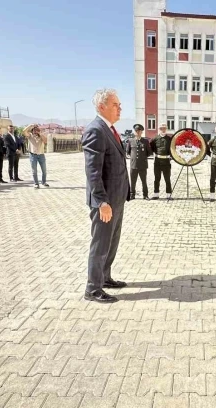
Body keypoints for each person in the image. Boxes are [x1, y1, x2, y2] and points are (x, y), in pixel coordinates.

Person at [82, 88, 130, 303]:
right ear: (101, 107)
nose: (119, 108)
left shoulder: (109, 129)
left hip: (116, 199)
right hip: (105, 201)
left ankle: (105, 277)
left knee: (111, 242)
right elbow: (93, 171)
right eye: (115, 105)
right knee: (101, 244)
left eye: (119, 105)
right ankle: (93, 289)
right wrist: (101, 201)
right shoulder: (96, 130)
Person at [126, 123, 151, 200]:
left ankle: (145, 195)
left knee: (144, 181)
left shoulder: (145, 141)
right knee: (133, 181)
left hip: (143, 165)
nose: (137, 132)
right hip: (133, 165)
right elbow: (128, 151)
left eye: (139, 131)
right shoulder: (130, 141)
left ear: (141, 132)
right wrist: (134, 159)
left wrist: (142, 157)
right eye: (136, 131)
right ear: (134, 132)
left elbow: (149, 152)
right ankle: (132, 195)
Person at [149, 123, 173, 200]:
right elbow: (151, 147)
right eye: (161, 128)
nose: (163, 130)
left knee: (167, 178)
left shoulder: (169, 139)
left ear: (166, 129)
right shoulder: (155, 138)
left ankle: (168, 195)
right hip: (157, 161)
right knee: (157, 178)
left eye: (164, 128)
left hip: (166, 161)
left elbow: (172, 149)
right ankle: (156, 194)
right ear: (159, 129)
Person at [24, 124, 49, 188]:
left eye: (37, 129)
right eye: (34, 130)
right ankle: (36, 183)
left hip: (41, 155)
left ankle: (44, 182)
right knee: (34, 171)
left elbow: (46, 141)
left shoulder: (41, 136)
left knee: (44, 170)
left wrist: (40, 133)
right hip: (33, 155)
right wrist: (31, 125)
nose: (35, 131)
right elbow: (24, 131)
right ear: (32, 130)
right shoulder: (30, 135)